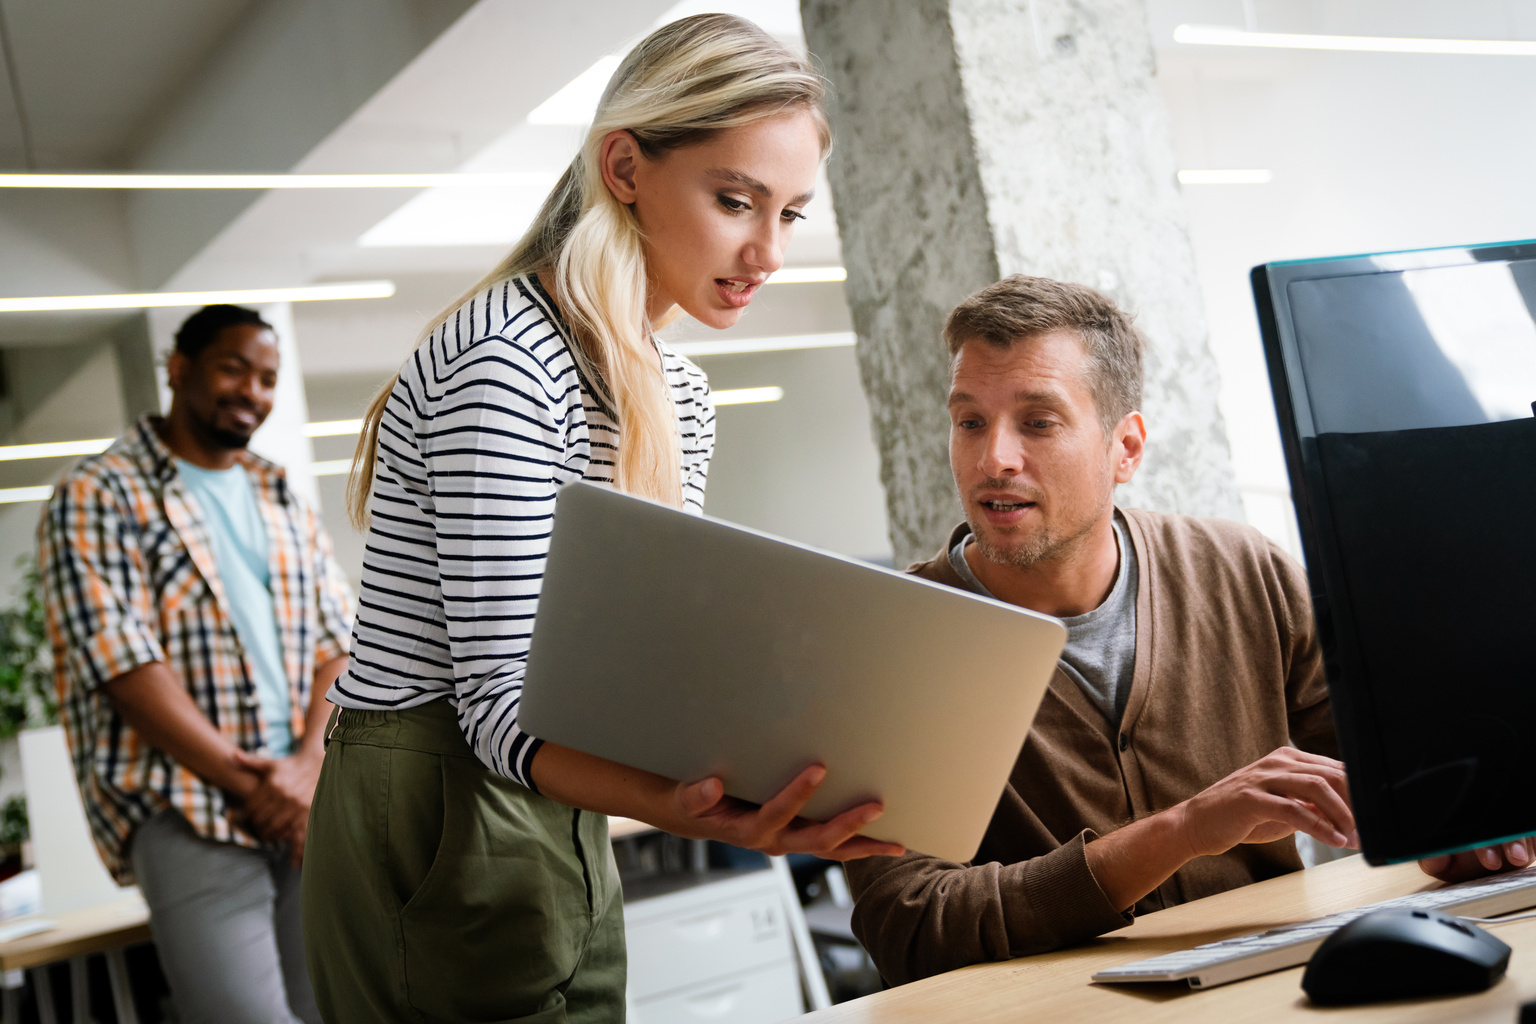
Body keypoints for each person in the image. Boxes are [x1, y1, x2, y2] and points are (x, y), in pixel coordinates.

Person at [301, 15, 903, 1023]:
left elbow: (636, 658)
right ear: (625, 166)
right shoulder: (504, 361)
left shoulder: (679, 392)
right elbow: (497, 707)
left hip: (554, 799)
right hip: (433, 804)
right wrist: (694, 808)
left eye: (791, 214)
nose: (767, 252)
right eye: (734, 200)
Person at [844, 274, 1535, 986]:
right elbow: (911, 924)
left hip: (1262, 995)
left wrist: (1444, 832)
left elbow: (1395, 772)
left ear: (1127, 448)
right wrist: (1182, 831)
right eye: (970, 422)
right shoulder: (899, 639)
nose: (994, 460)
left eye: (1038, 422)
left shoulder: (1244, 569)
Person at [38, 304, 355, 1023]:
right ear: (178, 369)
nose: (253, 391)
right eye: (233, 367)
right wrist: (253, 785)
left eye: (268, 378)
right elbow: (122, 663)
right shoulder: (98, 491)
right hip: (188, 808)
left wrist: (306, 770)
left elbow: (338, 645)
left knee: (331, 1012)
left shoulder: (279, 492)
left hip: (307, 807)